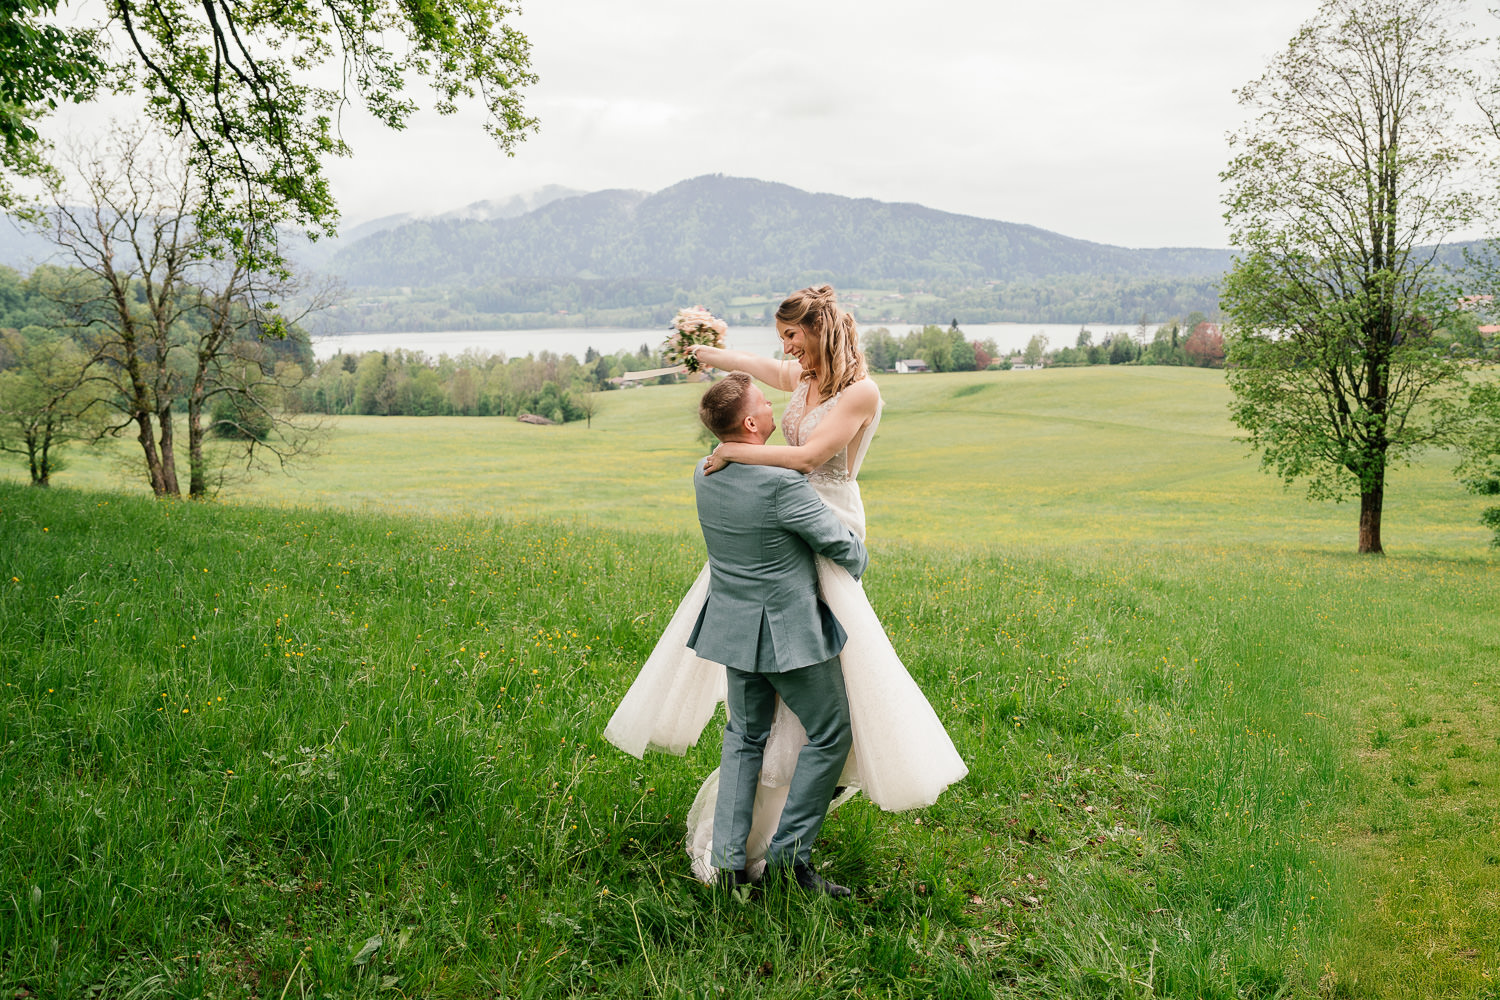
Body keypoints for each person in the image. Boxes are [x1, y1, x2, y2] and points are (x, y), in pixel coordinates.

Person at [603, 285, 966, 884]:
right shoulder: (802, 377)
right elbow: (759, 370)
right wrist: (707, 356)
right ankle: (782, 849)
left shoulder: (862, 392)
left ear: (820, 329)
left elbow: (808, 458)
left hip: (819, 511)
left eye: (793, 336)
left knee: (823, 666)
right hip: (780, 510)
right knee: (795, 700)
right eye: (783, 340)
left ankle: (765, 844)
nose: (786, 349)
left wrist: (734, 453)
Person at [688, 372, 867, 895]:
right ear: (749, 422)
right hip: (790, 635)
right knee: (831, 731)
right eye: (764, 403)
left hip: (732, 627)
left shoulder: (704, 473)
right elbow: (848, 552)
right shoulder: (783, 485)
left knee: (743, 739)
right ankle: (790, 860)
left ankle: (727, 865)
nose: (773, 408)